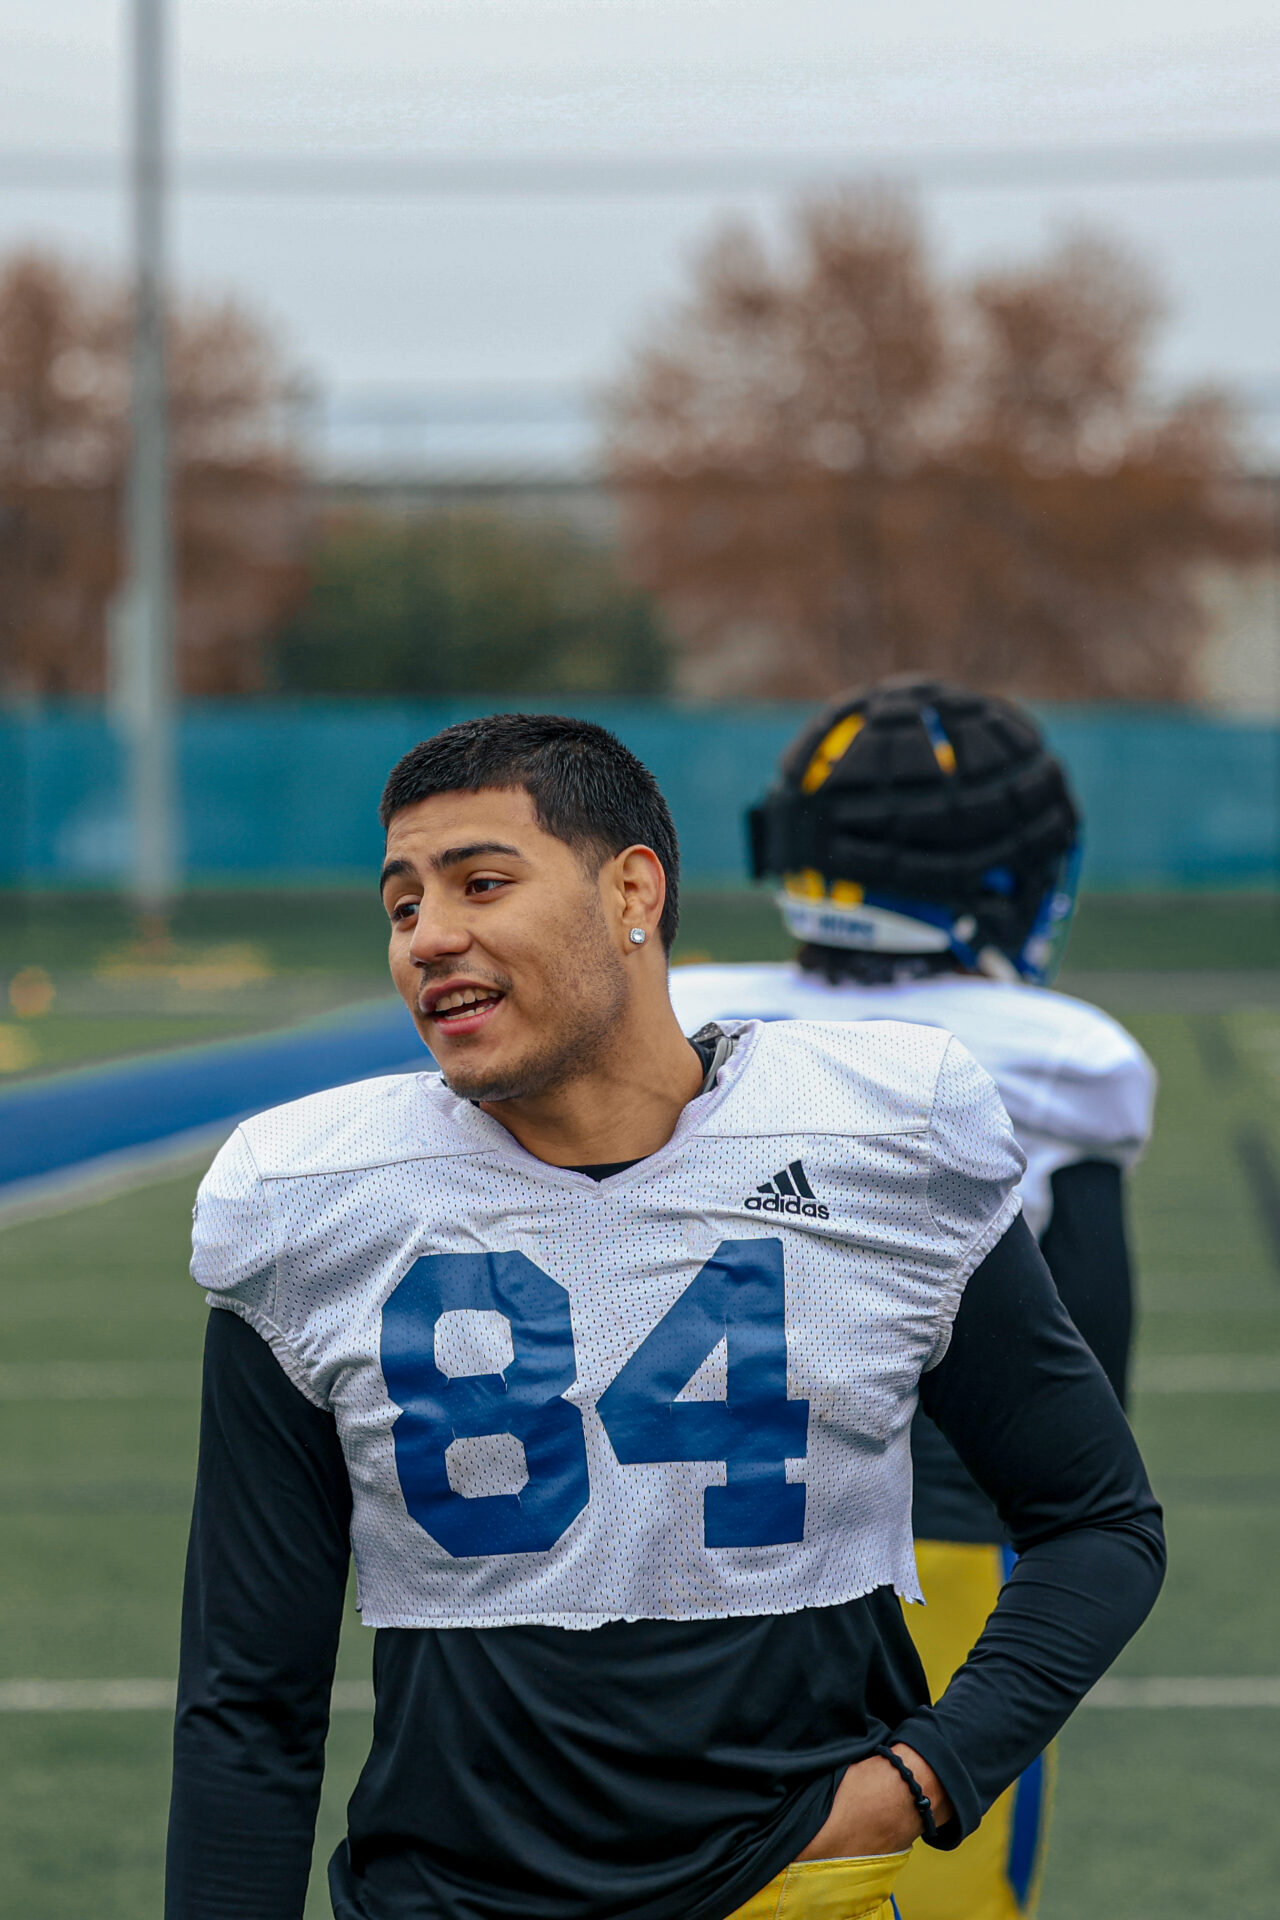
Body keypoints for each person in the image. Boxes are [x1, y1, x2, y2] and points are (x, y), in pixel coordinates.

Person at [167, 711, 1164, 1920]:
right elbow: (248, 1699)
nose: (428, 937)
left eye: (481, 883)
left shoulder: (879, 1138)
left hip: (793, 1891)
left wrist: (922, 1779)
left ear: (630, 891)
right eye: (402, 905)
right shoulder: (310, 1201)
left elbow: (1097, 1521)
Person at [669, 678, 1157, 1920]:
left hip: (653, 1558)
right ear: (1004, 875)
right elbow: (1082, 1418)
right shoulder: (1050, 1056)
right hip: (923, 1551)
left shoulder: (672, 1020)